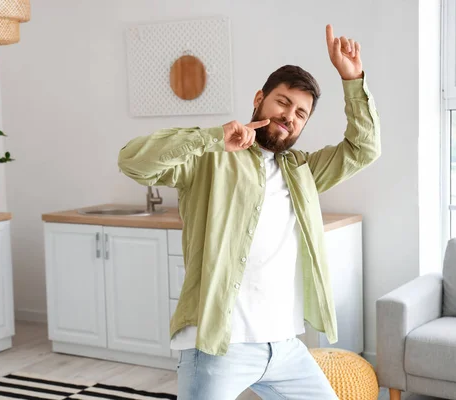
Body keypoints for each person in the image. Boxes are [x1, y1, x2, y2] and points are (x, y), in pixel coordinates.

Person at [118, 23, 381, 400]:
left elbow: (363, 150)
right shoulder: (210, 159)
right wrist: (211, 138)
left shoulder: (302, 171)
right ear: (260, 98)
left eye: (301, 113)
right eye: (283, 102)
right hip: (218, 346)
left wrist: (353, 79)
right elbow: (132, 162)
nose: (290, 116)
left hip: (285, 346)